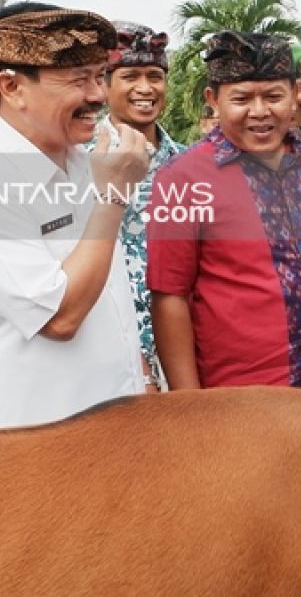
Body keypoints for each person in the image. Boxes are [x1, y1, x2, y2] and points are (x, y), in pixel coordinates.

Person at [146, 31, 301, 392]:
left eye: (274, 96)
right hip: (241, 402)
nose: (260, 112)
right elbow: (169, 298)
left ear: (296, 94)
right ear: (213, 100)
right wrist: (191, 406)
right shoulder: (180, 179)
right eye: (242, 99)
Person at [0, 3, 149, 427]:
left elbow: (113, 298)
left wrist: (140, 376)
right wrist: (115, 195)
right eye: (78, 80)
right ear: (11, 86)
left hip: (114, 424)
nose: (98, 96)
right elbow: (60, 317)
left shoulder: (90, 161)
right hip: (39, 442)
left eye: (99, 76)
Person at [92, 21, 186, 390]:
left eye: (155, 76)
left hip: (186, 361)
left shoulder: (194, 168)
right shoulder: (76, 166)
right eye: (130, 76)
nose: (146, 88)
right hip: (106, 363)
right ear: (104, 84)